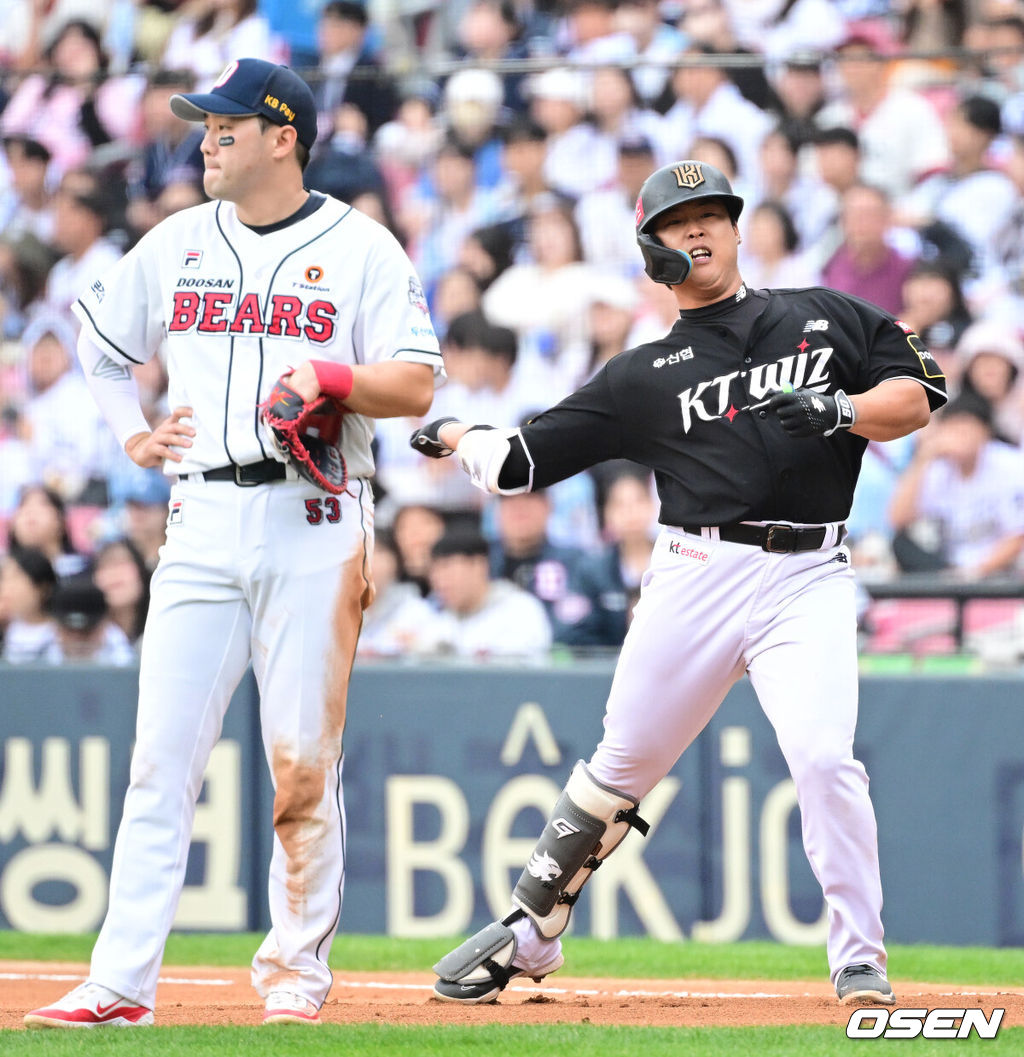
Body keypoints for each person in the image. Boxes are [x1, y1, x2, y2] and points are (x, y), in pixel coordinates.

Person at [410, 159, 947, 1008]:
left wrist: (842, 410)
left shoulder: (823, 315)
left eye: (711, 215)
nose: (697, 230)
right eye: (677, 222)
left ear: (738, 229)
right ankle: (533, 927)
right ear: (652, 251)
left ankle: (858, 956)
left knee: (824, 758)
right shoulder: (642, 376)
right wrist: (455, 429)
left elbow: (920, 394)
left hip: (809, 572)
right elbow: (518, 464)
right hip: (697, 570)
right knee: (621, 762)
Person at [24, 57, 441, 1030]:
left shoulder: (360, 246)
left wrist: (333, 377)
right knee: (158, 759)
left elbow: (415, 385)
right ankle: (121, 981)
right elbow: (100, 343)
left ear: (281, 135)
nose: (206, 140)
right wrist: (130, 430)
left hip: (314, 515)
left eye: (225, 126)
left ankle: (294, 979)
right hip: (201, 515)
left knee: (302, 764)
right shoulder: (177, 240)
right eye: (204, 126)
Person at [888, 391, 1024, 578]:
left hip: (1002, 574)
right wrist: (923, 457)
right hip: (948, 568)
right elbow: (898, 519)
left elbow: (1018, 536)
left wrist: (975, 573)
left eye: (965, 428)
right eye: (951, 428)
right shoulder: (938, 467)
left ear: (985, 430)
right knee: (900, 544)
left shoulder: (1010, 464)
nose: (958, 436)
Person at [0, 545, 58, 663]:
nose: (6, 587)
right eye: (3, 579)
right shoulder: (5, 630)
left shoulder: (61, 633)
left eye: (16, 578)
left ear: (42, 587)